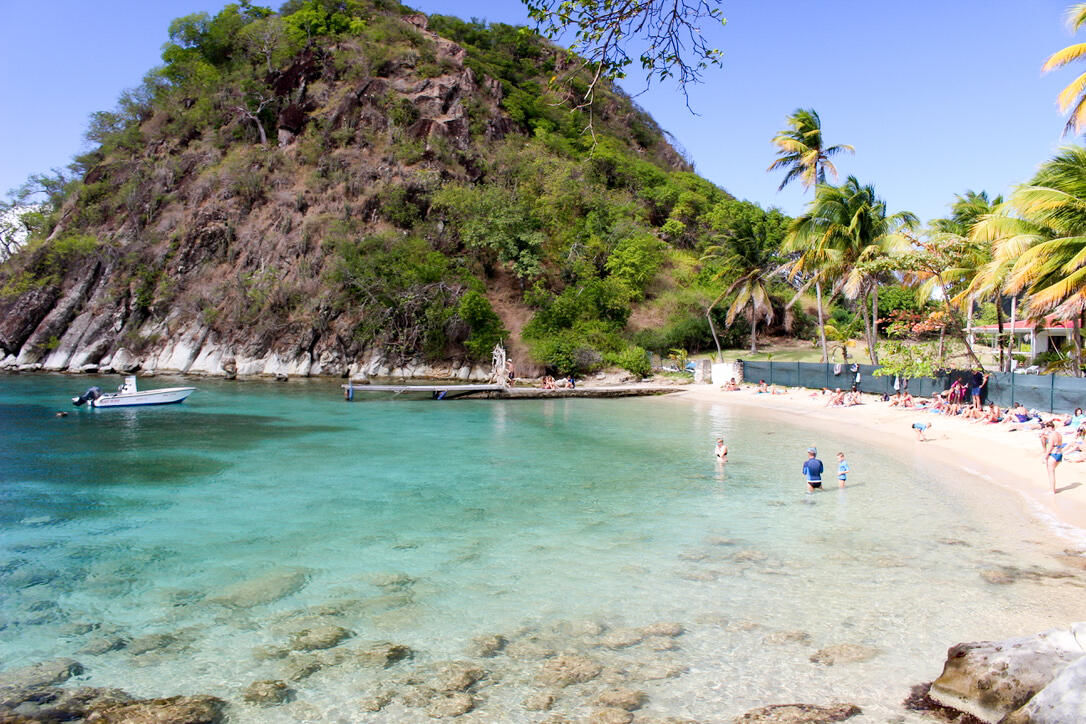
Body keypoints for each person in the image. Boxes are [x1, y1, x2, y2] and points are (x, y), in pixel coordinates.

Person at [1043, 420, 1064, 493]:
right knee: (1051, 471)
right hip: (1059, 454)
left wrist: (1045, 456)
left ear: (1049, 428)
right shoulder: (1059, 434)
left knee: (1051, 473)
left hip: (1053, 454)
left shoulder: (1052, 435)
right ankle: (1052, 488)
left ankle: (1052, 490)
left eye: (1046, 428)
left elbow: (1050, 447)